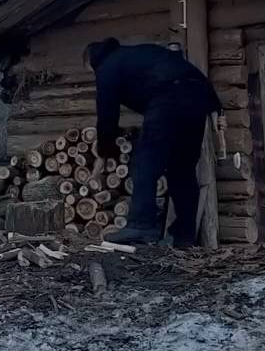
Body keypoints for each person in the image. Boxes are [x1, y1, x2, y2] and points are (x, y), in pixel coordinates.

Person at [88, 38, 221, 247]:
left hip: (168, 98)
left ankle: (142, 225)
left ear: (92, 60)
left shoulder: (106, 67)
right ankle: (185, 235)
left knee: (145, 161)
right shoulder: (140, 53)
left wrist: (104, 153)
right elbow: (193, 73)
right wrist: (216, 106)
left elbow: (107, 115)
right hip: (198, 98)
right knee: (182, 169)